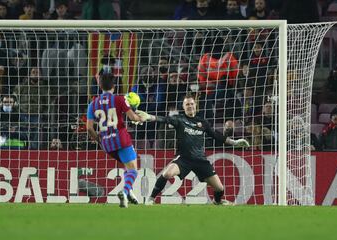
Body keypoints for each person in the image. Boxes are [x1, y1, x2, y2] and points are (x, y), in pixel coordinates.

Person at [136, 93, 250, 205]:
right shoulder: (179, 119)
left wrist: (234, 142)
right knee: (167, 173)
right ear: (183, 107)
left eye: (191, 104)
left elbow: (216, 135)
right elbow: (164, 119)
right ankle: (151, 199)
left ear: (195, 105)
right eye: (187, 105)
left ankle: (217, 201)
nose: (190, 106)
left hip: (200, 160)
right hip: (184, 159)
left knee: (220, 189)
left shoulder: (202, 122)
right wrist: (149, 117)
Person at [86, 73, 145, 208]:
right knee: (133, 170)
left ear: (100, 86)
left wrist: (99, 140)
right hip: (121, 140)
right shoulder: (119, 100)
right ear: (114, 86)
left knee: (127, 166)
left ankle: (128, 193)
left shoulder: (93, 104)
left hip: (107, 144)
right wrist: (141, 118)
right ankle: (125, 192)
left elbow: (89, 128)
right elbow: (133, 118)